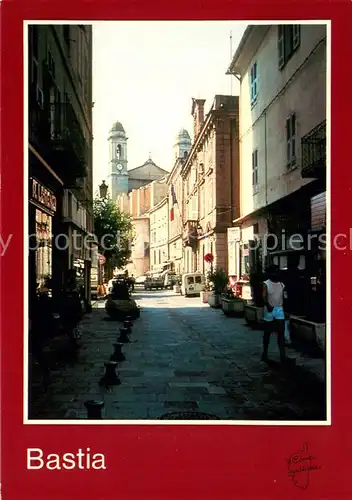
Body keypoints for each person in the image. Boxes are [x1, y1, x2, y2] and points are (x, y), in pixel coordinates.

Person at [261, 264, 294, 364]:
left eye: (276, 272)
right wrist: (267, 304)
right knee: (267, 333)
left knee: (281, 332)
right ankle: (265, 353)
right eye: (273, 272)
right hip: (270, 309)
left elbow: (284, 297)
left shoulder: (281, 284)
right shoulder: (266, 284)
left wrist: (285, 310)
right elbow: (264, 296)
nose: (275, 274)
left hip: (279, 309)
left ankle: (282, 355)